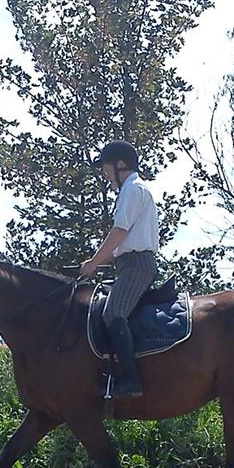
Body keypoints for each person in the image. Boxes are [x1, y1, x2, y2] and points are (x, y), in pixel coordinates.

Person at [80, 140, 159, 399]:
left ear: (120, 165)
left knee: (113, 313)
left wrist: (94, 262)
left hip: (137, 265)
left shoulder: (132, 189)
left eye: (105, 168)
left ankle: (131, 381)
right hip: (128, 264)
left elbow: (119, 232)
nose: (104, 174)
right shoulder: (132, 189)